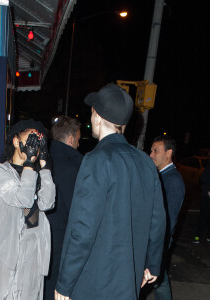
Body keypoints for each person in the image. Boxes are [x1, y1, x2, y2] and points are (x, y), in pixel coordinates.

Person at [55, 84, 166, 300]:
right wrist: (152, 264)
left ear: (96, 116)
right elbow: (157, 220)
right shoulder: (145, 162)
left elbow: (83, 228)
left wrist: (64, 283)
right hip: (128, 283)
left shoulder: (96, 160)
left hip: (94, 285)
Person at [0, 119, 55, 300]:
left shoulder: (37, 174)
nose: (35, 143)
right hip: (10, 252)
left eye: (39, 140)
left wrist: (45, 168)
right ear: (16, 141)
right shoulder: (0, 171)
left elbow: (47, 203)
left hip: (34, 250)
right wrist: (29, 165)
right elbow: (23, 198)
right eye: (31, 137)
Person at [44, 116, 83, 300]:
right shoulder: (77, 166)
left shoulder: (40, 159)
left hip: (36, 235)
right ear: (71, 139)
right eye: (78, 140)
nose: (78, 145)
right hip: (62, 241)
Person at [150, 135, 185, 300]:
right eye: (151, 150)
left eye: (156, 151)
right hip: (155, 241)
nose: (151, 155)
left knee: (159, 280)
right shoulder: (162, 176)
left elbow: (168, 219)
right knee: (158, 280)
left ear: (169, 153)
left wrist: (158, 246)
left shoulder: (173, 181)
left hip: (159, 242)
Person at [193, 160, 210, 243]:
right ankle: (197, 236)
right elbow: (203, 179)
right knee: (203, 216)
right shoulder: (208, 168)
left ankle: (208, 237)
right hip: (206, 196)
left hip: (206, 195)